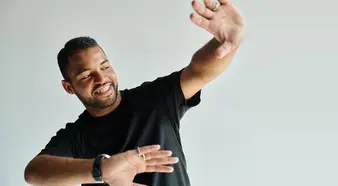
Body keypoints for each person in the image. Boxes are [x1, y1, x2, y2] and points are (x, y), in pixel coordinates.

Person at [23, 0, 245, 185]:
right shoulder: (75, 137)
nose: (101, 79)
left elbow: (198, 71)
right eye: (86, 75)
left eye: (105, 67)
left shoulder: (155, 99)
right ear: (69, 87)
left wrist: (225, 43)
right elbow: (34, 173)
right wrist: (103, 168)